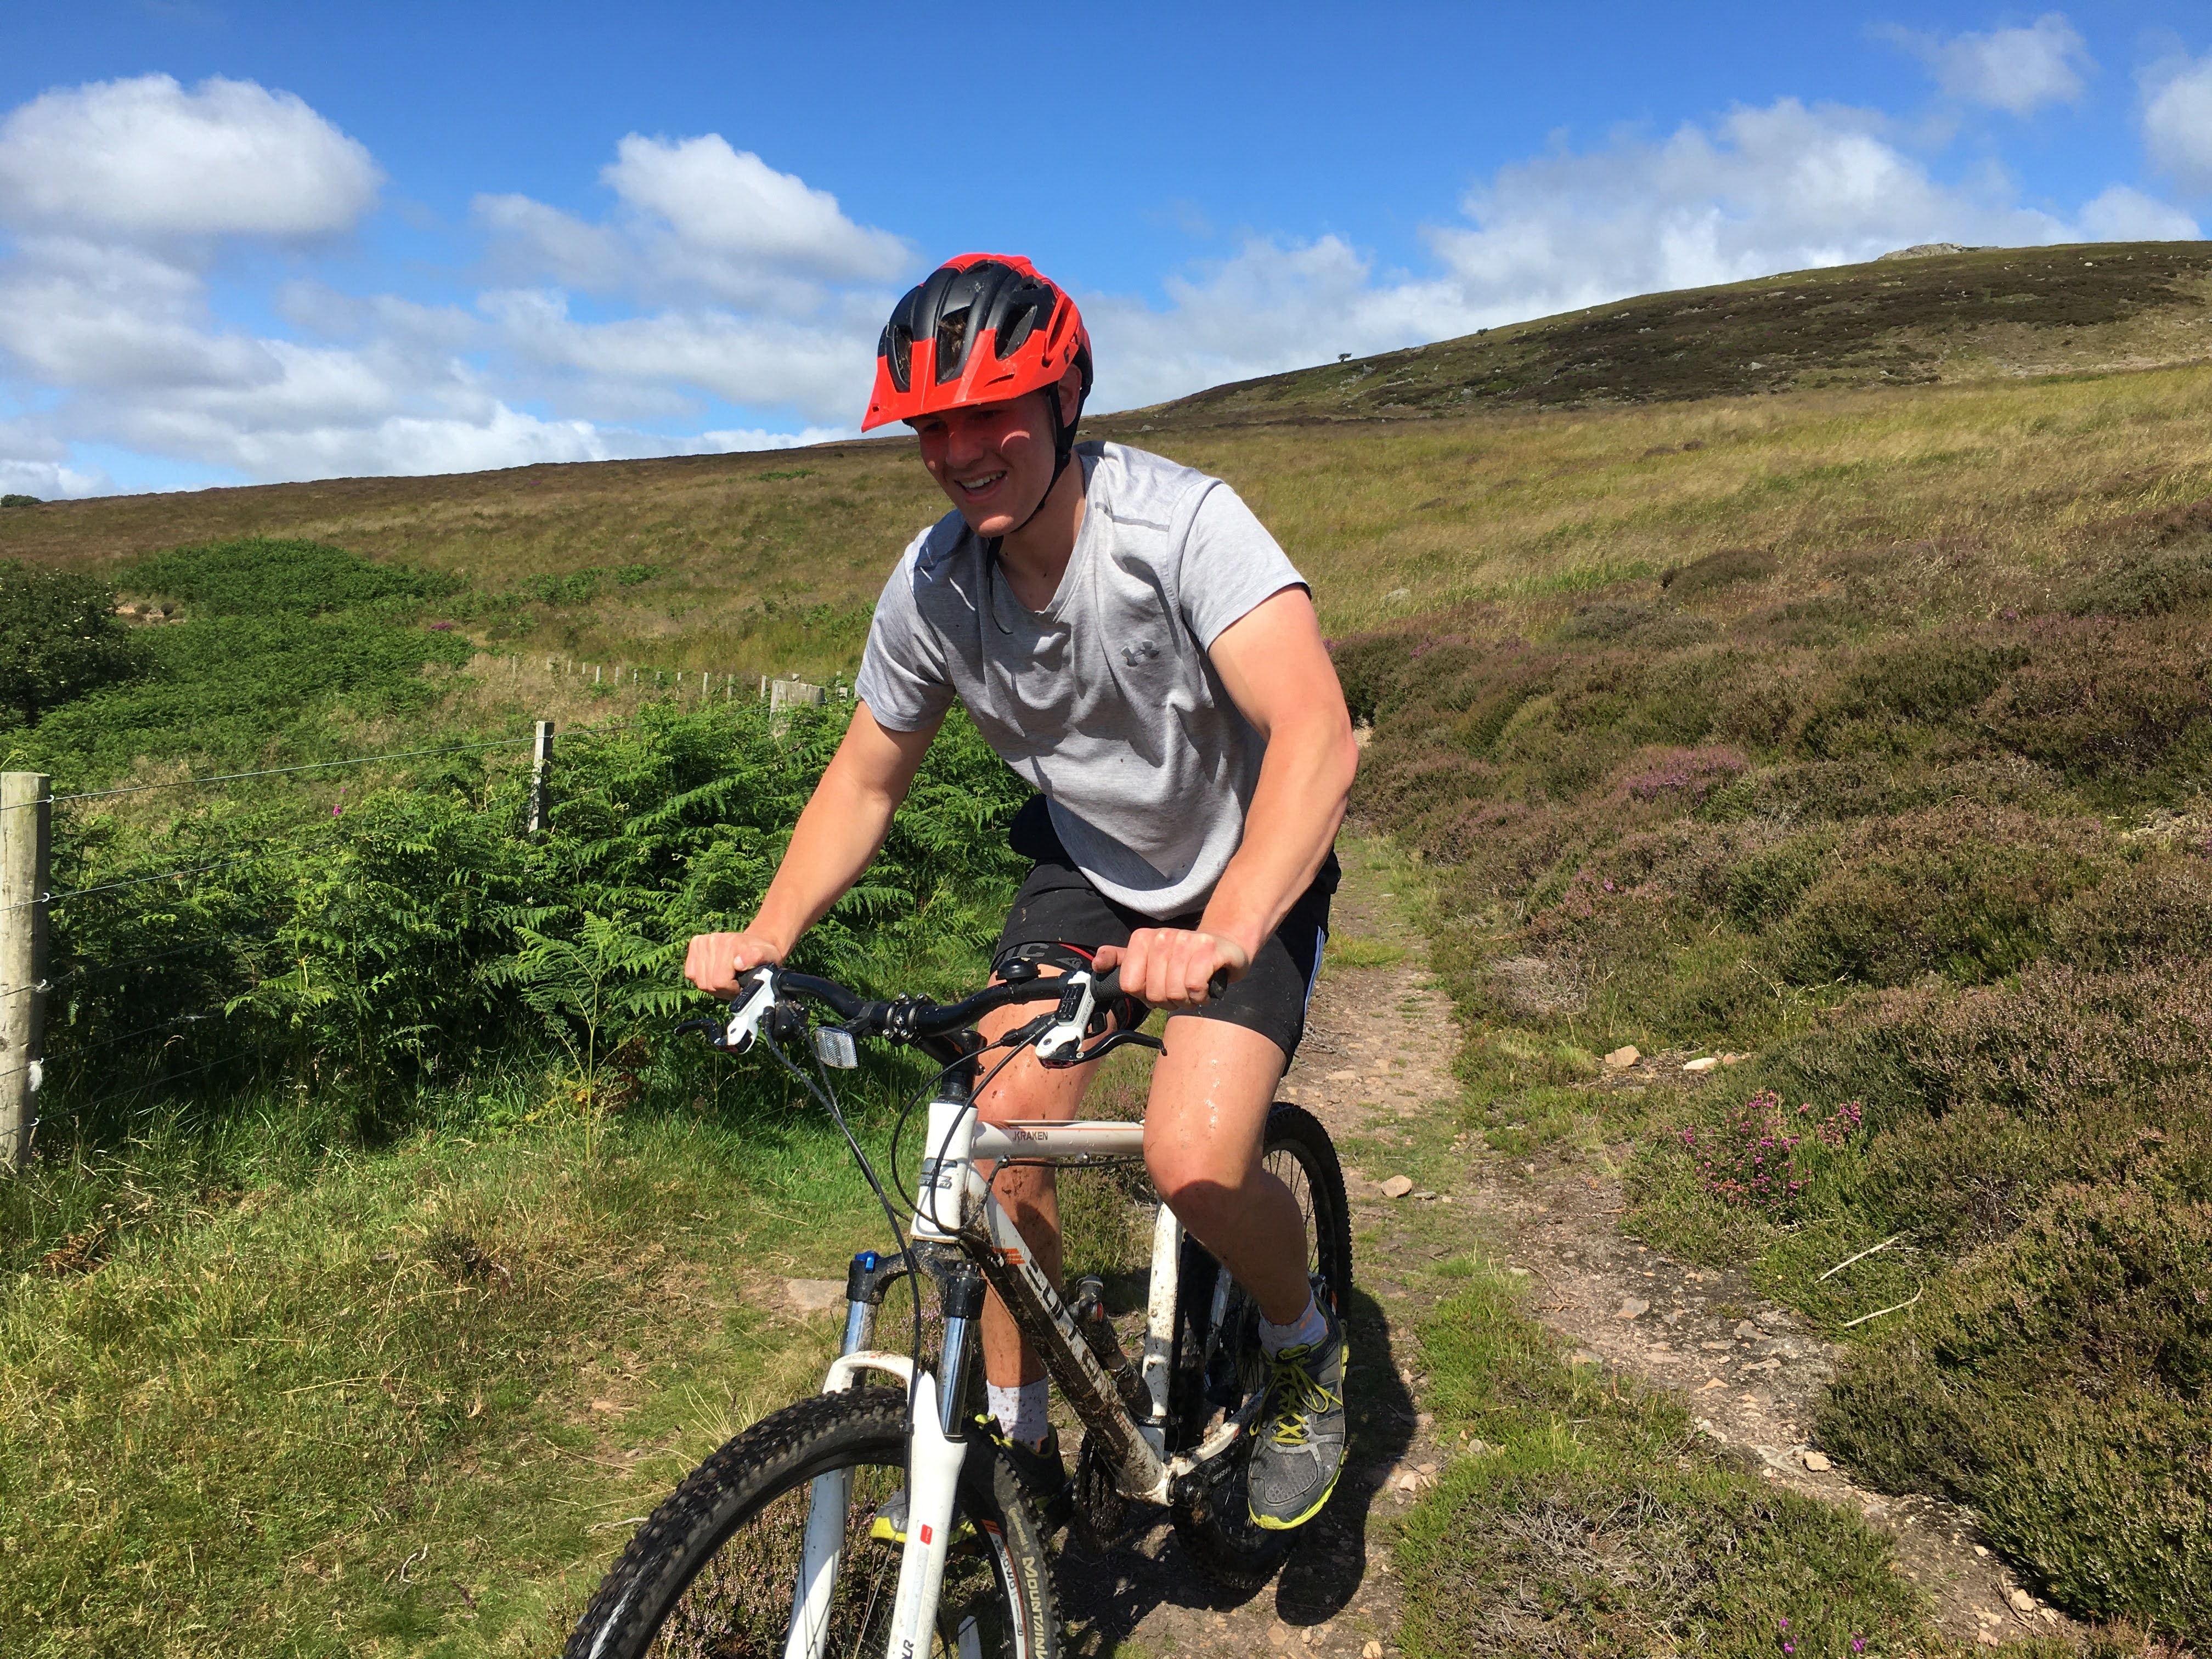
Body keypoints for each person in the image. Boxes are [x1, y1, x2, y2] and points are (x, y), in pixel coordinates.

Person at [683, 252, 1359, 1532]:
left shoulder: (1181, 530)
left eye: (994, 413)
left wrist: (1221, 931)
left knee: (1193, 1160)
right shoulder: (936, 584)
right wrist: (772, 935)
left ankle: (1299, 1342)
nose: (961, 448)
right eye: (934, 425)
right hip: (1088, 863)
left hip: (1249, 858)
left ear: (1064, 404)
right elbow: (867, 780)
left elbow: (1318, 739)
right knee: (991, 1160)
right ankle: (1023, 1455)